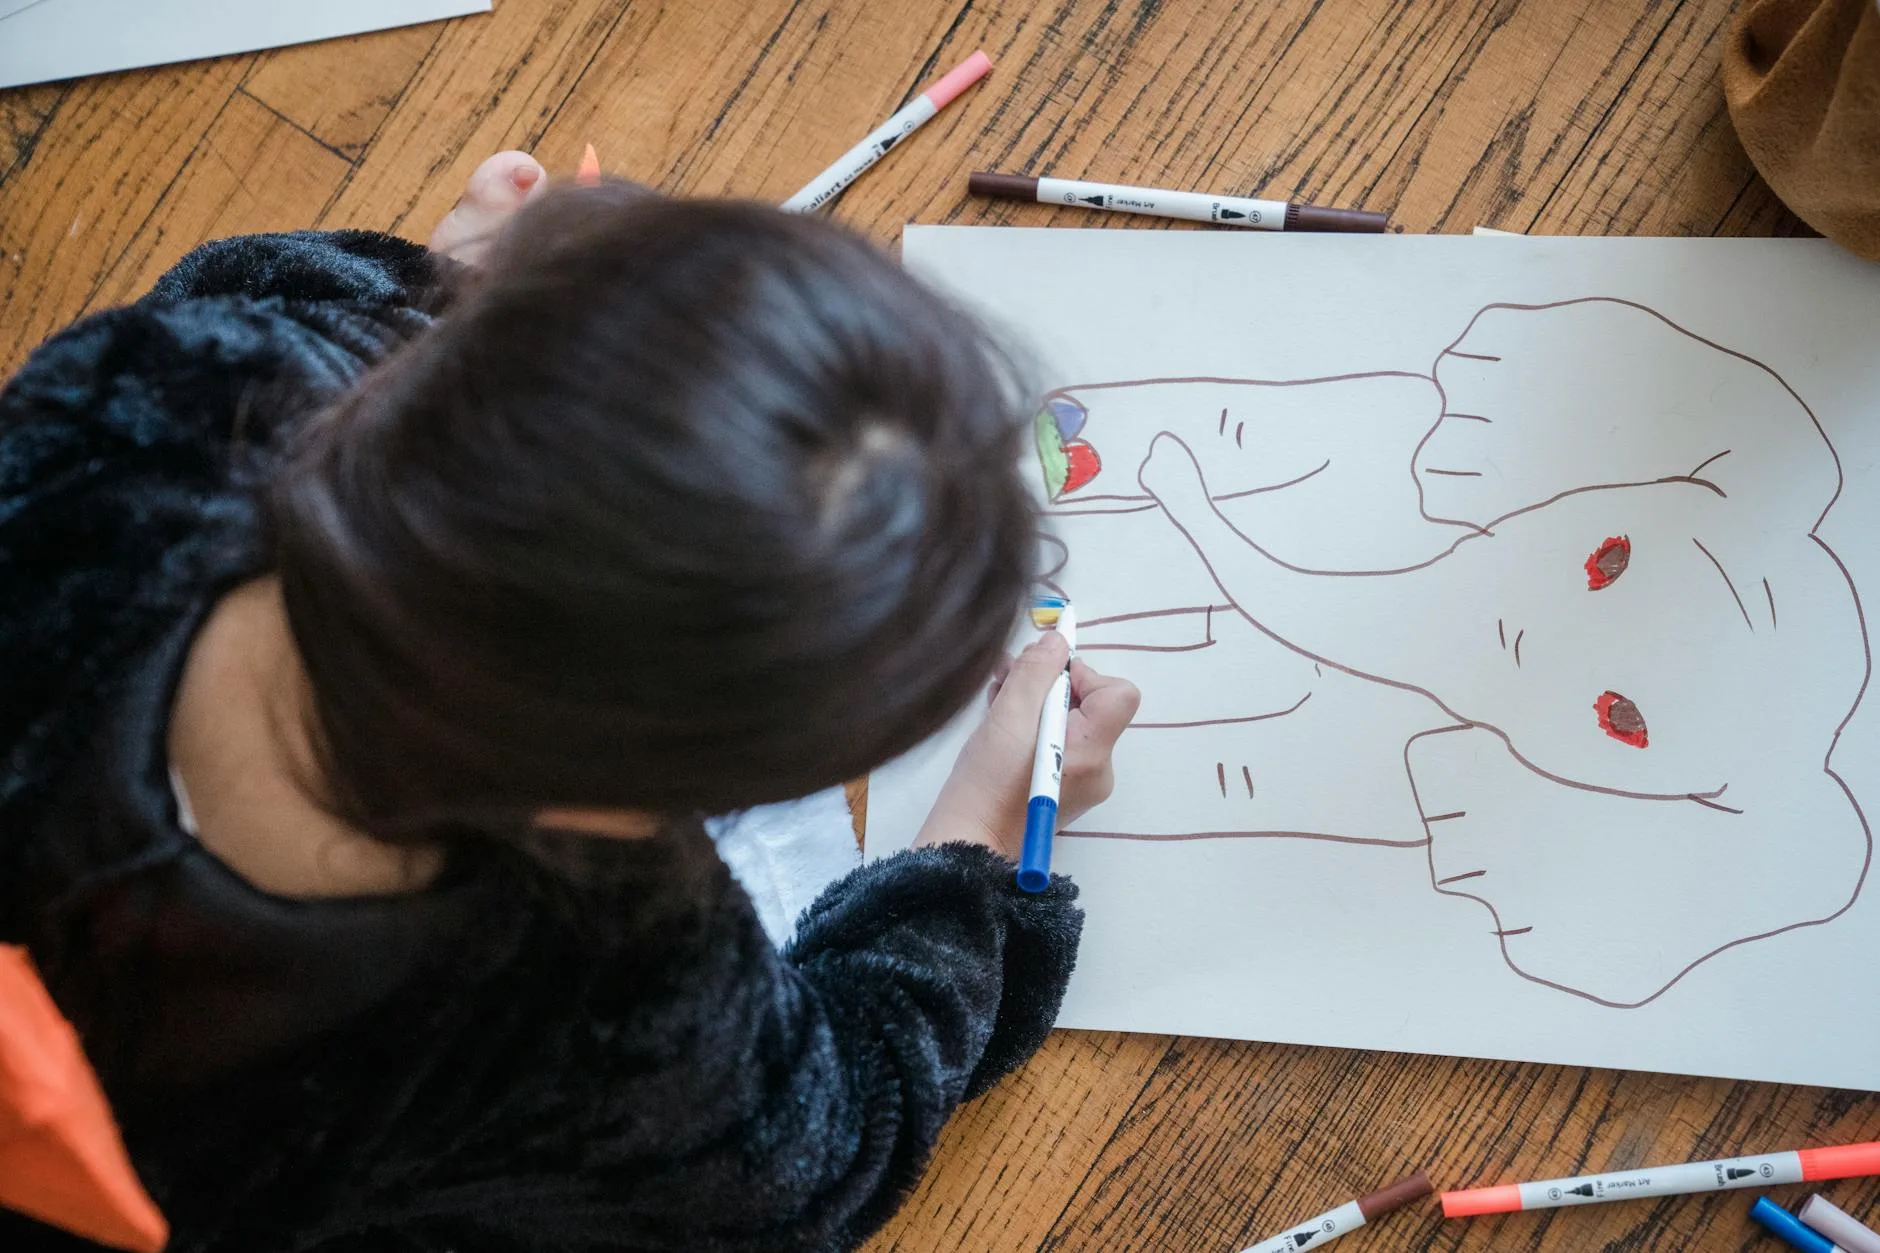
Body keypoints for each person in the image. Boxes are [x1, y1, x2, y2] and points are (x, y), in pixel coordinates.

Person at [0, 151, 1141, 1252]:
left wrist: (441, 301)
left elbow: (261, 302)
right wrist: (982, 835)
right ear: (690, 795)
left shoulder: (147, 399)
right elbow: (826, 1155)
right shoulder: (598, 999)